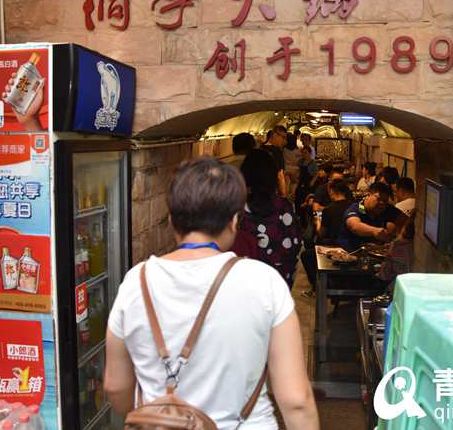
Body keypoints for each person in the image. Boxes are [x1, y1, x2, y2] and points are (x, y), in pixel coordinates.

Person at [104, 158, 318, 430]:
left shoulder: (136, 282)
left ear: (171, 220)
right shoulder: (264, 282)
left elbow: (115, 386)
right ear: (234, 221)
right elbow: (296, 401)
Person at [233, 150, 303, 289]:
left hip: (245, 281)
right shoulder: (284, 207)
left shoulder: (237, 208)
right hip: (278, 280)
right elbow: (295, 243)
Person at [337, 182, 407, 252]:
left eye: (385, 201)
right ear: (368, 195)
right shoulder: (359, 207)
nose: (382, 203)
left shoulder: (386, 208)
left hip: (373, 252)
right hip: (350, 252)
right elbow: (354, 226)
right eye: (378, 199)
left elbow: (407, 221)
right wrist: (374, 231)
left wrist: (400, 237)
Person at [316, 179, 354, 246]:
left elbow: (321, 234)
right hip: (352, 244)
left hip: (335, 245)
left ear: (332, 191)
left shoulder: (328, 210)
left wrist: (318, 222)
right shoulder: (355, 205)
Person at [262, 125, 288, 197]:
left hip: (259, 190)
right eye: (283, 137)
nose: (284, 141)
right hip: (272, 190)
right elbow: (280, 175)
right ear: (275, 135)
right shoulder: (277, 152)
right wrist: (283, 194)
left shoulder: (260, 149)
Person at [283, 132, 301, 199]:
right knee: (294, 183)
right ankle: (292, 197)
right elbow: (299, 161)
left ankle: (286, 197)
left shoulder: (284, 149)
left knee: (287, 183)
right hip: (295, 169)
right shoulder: (297, 150)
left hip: (286, 168)